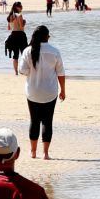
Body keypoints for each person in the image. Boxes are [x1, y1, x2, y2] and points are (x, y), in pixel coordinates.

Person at [19, 26, 65, 160]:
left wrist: (32, 72)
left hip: (33, 91)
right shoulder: (55, 52)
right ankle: (45, 153)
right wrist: (63, 90)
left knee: (34, 121)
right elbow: (60, 73)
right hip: (50, 91)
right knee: (47, 121)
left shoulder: (28, 51)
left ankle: (33, 152)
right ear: (47, 37)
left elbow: (22, 70)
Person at [5, 2, 28, 75]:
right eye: (20, 6)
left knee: (15, 55)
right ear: (16, 7)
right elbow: (21, 27)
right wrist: (24, 23)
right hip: (21, 35)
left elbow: (8, 28)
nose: (21, 7)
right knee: (24, 54)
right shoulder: (19, 15)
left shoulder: (10, 16)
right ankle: (24, 71)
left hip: (13, 35)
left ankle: (16, 72)